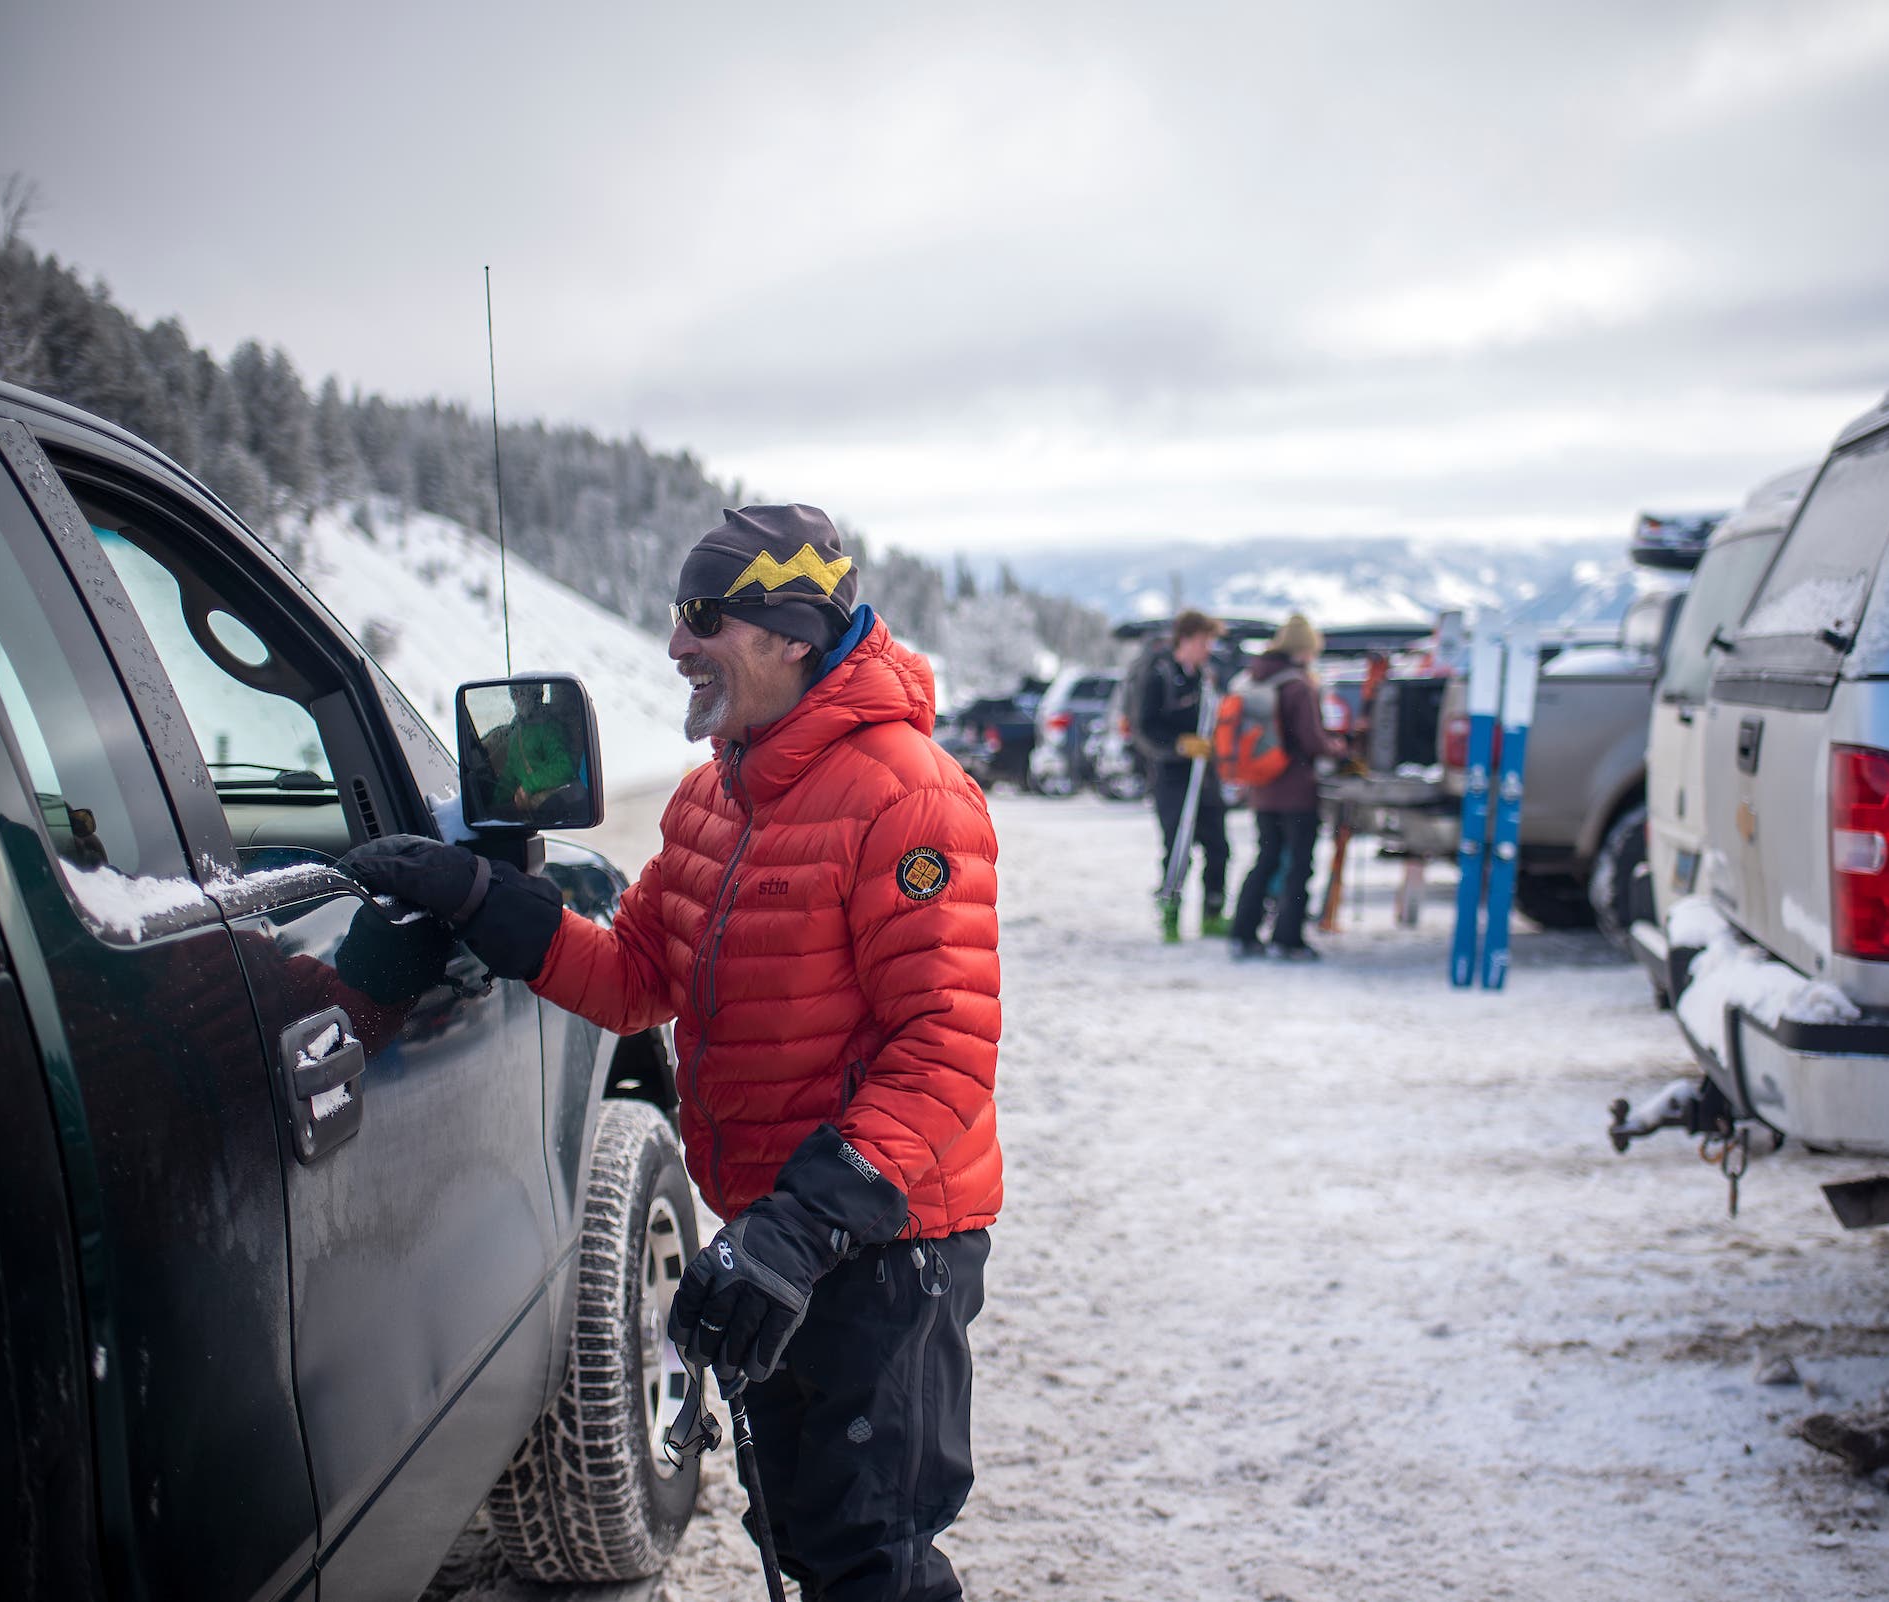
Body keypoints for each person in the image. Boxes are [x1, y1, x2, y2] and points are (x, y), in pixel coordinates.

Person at [343, 504, 1001, 1602]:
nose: (675, 646)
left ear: (791, 633)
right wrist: (488, 903)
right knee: (796, 1525)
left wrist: (800, 1227)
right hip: (779, 1236)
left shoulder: (909, 794)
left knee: (870, 1555)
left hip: (884, 1250)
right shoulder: (715, 796)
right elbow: (635, 975)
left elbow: (945, 1047)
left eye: (705, 618)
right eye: (676, 615)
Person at [1227, 612, 1345, 962]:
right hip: (1296, 790)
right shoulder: (1298, 685)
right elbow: (1311, 741)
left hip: (1262, 788)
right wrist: (1339, 747)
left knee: (1265, 859)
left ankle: (1244, 933)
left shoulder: (1255, 677)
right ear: (1305, 649)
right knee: (1298, 865)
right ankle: (1288, 937)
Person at [1132, 609, 1231, 935]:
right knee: (1178, 847)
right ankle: (1170, 911)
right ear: (1186, 640)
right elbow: (1144, 727)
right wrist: (1177, 745)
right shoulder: (1160, 675)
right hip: (1172, 776)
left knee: (1218, 847)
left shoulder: (1206, 678)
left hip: (1205, 776)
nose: (1208, 649)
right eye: (1204, 642)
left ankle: (1213, 915)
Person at [486, 680, 578, 813]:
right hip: (526, 806)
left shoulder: (549, 728)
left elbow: (564, 767)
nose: (516, 698)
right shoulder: (518, 730)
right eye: (513, 693)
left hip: (549, 804)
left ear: (534, 694)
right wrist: (494, 805)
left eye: (522, 693)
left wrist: (528, 786)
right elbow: (510, 772)